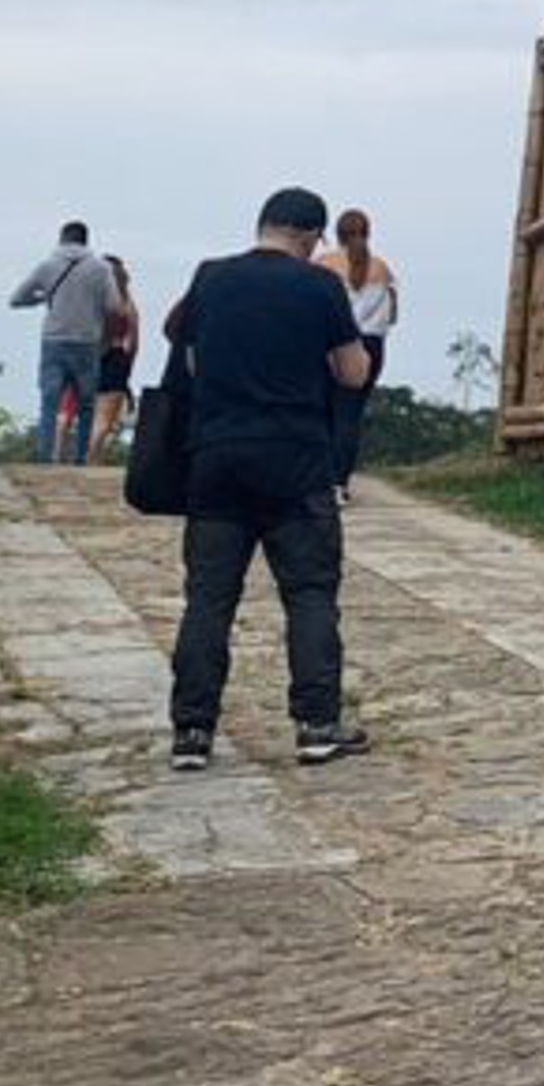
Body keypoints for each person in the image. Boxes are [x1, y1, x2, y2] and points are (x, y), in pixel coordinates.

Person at [162, 187, 376, 772]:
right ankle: (317, 724)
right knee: (309, 594)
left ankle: (192, 731)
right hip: (296, 462)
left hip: (217, 458)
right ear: (310, 236)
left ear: (263, 225)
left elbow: (187, 356)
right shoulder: (320, 286)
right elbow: (353, 372)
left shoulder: (211, 277)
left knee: (209, 598)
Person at [8, 221, 121, 467]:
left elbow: (16, 299)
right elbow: (114, 305)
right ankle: (81, 459)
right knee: (86, 405)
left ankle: (45, 457)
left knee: (49, 402)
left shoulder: (47, 266)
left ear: (62, 238)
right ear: (85, 240)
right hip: (88, 341)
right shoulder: (101, 269)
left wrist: (42, 298)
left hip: (54, 340)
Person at [317, 208, 399, 475]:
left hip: (332, 342)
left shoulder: (323, 264)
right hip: (372, 345)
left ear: (338, 234)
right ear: (368, 233)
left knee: (323, 410)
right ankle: (340, 480)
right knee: (350, 413)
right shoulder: (384, 270)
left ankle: (322, 473)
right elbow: (393, 316)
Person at [86, 252, 141, 462]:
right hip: (117, 357)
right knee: (105, 420)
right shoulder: (126, 303)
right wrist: (128, 365)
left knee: (89, 414)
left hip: (90, 357)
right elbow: (133, 340)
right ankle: (92, 457)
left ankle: (87, 456)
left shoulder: (93, 301)